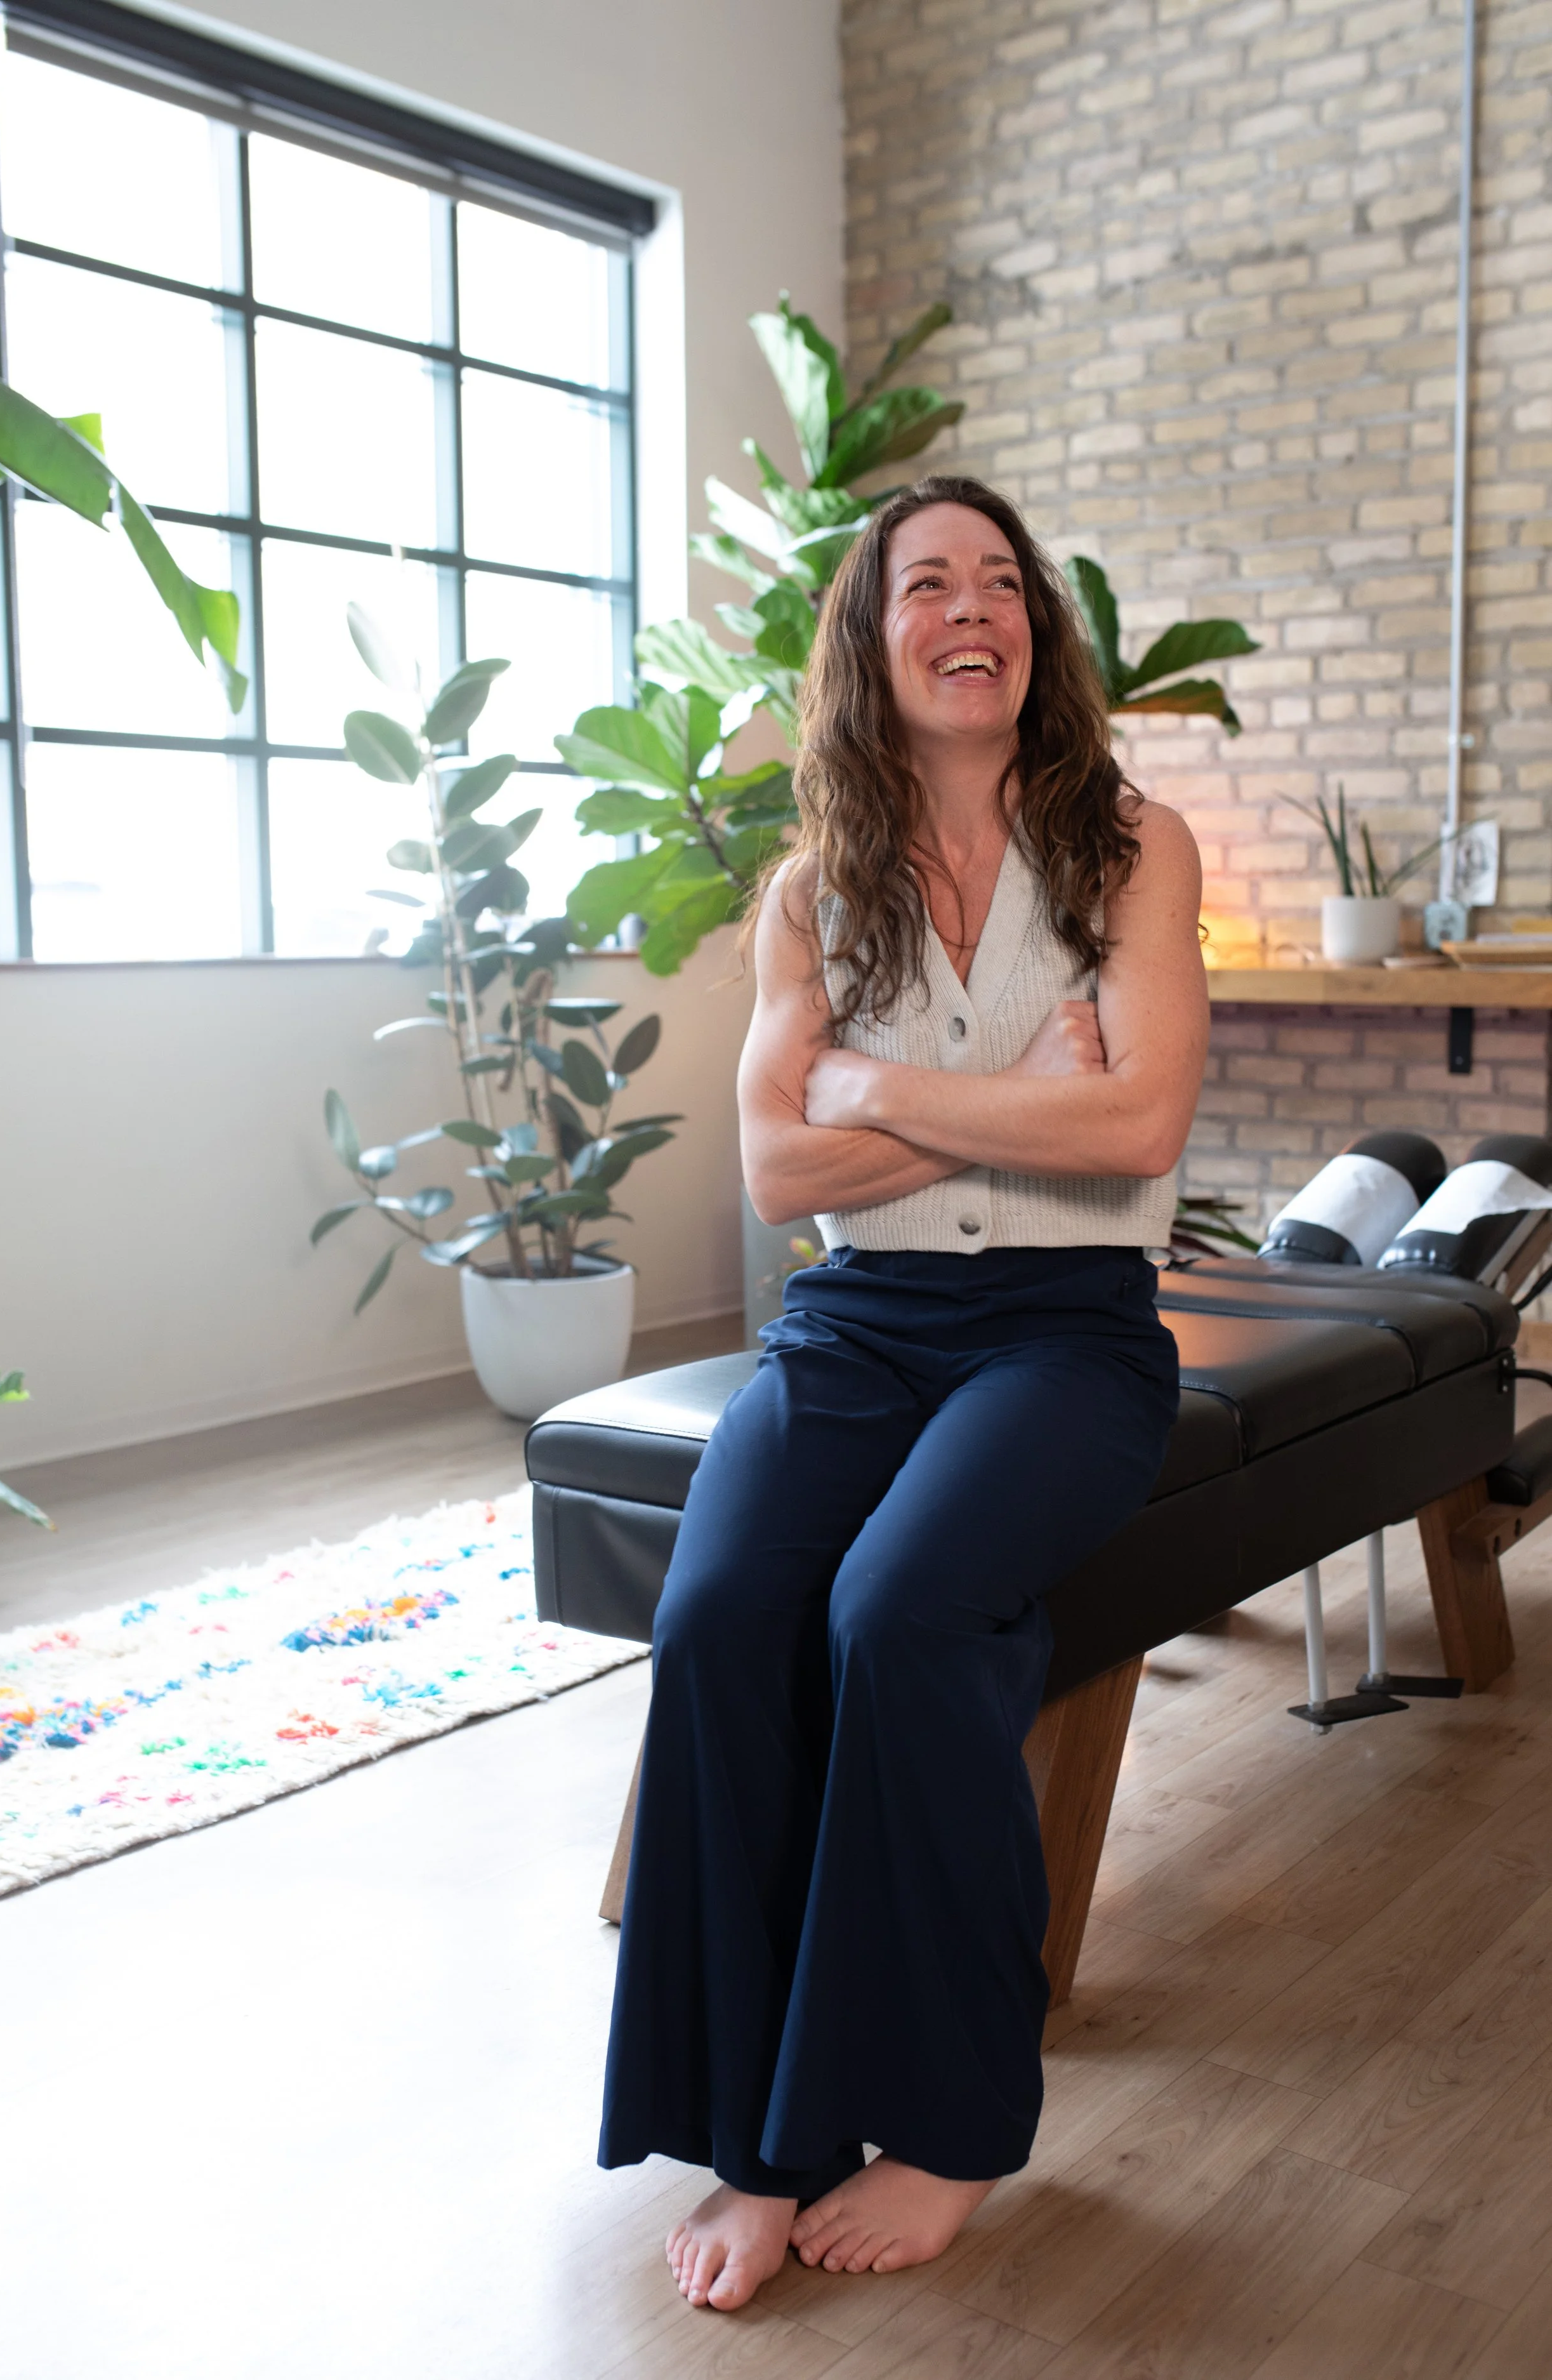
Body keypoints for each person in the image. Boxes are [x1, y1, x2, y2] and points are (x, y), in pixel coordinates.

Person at [596, 473, 1209, 2311]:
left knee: (901, 1605)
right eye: (925, 582)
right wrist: (1014, 1091)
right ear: (871, 637)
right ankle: (760, 2141)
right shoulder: (814, 888)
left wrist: (875, 1089)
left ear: (1038, 634)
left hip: (1065, 1335)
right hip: (850, 1328)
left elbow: (1138, 1133)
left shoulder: (1131, 845)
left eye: (1000, 583)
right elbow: (779, 1179)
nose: (970, 608)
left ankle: (944, 2119)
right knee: (715, 1617)